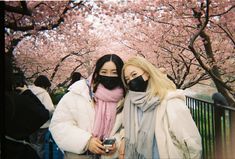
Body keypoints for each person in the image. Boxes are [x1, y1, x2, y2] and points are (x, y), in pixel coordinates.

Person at [120, 56, 202, 159]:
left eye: (134, 75)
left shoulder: (171, 102)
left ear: (147, 72)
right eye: (127, 79)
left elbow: (191, 141)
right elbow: (126, 127)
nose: (131, 80)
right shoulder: (132, 103)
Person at [49, 54, 125, 159]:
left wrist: (115, 142)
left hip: (109, 156)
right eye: (104, 72)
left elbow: (124, 129)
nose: (109, 76)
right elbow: (59, 124)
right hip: (79, 156)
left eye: (114, 72)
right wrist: (86, 141)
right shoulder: (78, 92)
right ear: (97, 73)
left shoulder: (124, 98)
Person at [4, 54, 50, 159]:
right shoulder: (16, 98)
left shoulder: (31, 88)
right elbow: (45, 112)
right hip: (38, 127)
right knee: (39, 146)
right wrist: (27, 93)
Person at [28, 75, 55, 158]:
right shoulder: (44, 93)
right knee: (40, 145)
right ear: (44, 85)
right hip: (43, 125)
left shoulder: (28, 91)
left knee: (31, 144)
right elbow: (50, 108)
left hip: (30, 123)